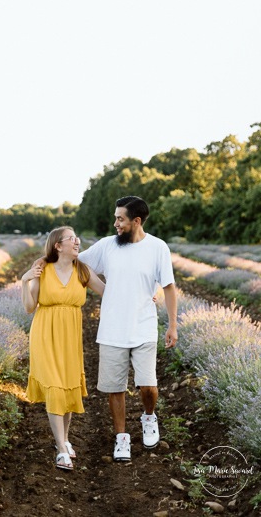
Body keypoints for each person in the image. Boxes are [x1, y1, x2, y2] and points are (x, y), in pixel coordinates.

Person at [76, 196, 178, 462]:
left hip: (143, 326)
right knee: (115, 388)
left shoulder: (158, 248)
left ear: (136, 221)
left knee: (148, 385)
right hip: (112, 329)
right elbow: (77, 263)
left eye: (120, 219)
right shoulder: (106, 246)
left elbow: (168, 287)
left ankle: (148, 417)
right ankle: (122, 438)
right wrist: (100, 287)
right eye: (115, 218)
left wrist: (173, 325)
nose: (115, 224)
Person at [21, 226, 105, 471]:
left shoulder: (83, 270)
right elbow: (29, 307)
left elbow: (108, 292)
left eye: (77, 237)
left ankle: (65, 439)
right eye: (72, 238)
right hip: (45, 334)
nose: (77, 242)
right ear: (58, 245)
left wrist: (143, 295)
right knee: (56, 388)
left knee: (68, 389)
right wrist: (24, 280)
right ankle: (60, 449)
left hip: (70, 336)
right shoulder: (42, 270)